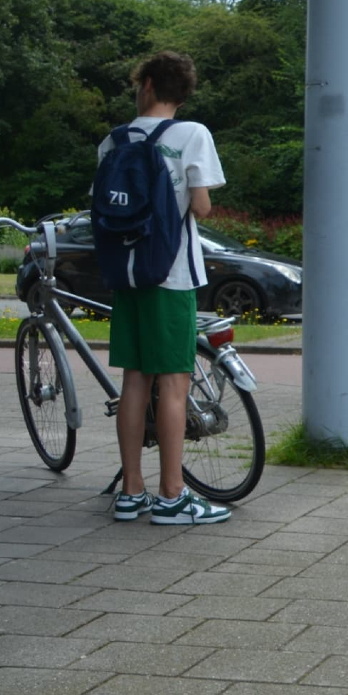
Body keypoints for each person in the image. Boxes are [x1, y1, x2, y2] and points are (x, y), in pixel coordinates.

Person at [104, 51, 232, 525]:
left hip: (126, 275)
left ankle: (131, 493)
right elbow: (201, 208)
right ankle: (173, 495)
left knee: (134, 380)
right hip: (172, 273)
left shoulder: (115, 140)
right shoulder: (193, 135)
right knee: (174, 384)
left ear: (150, 85)